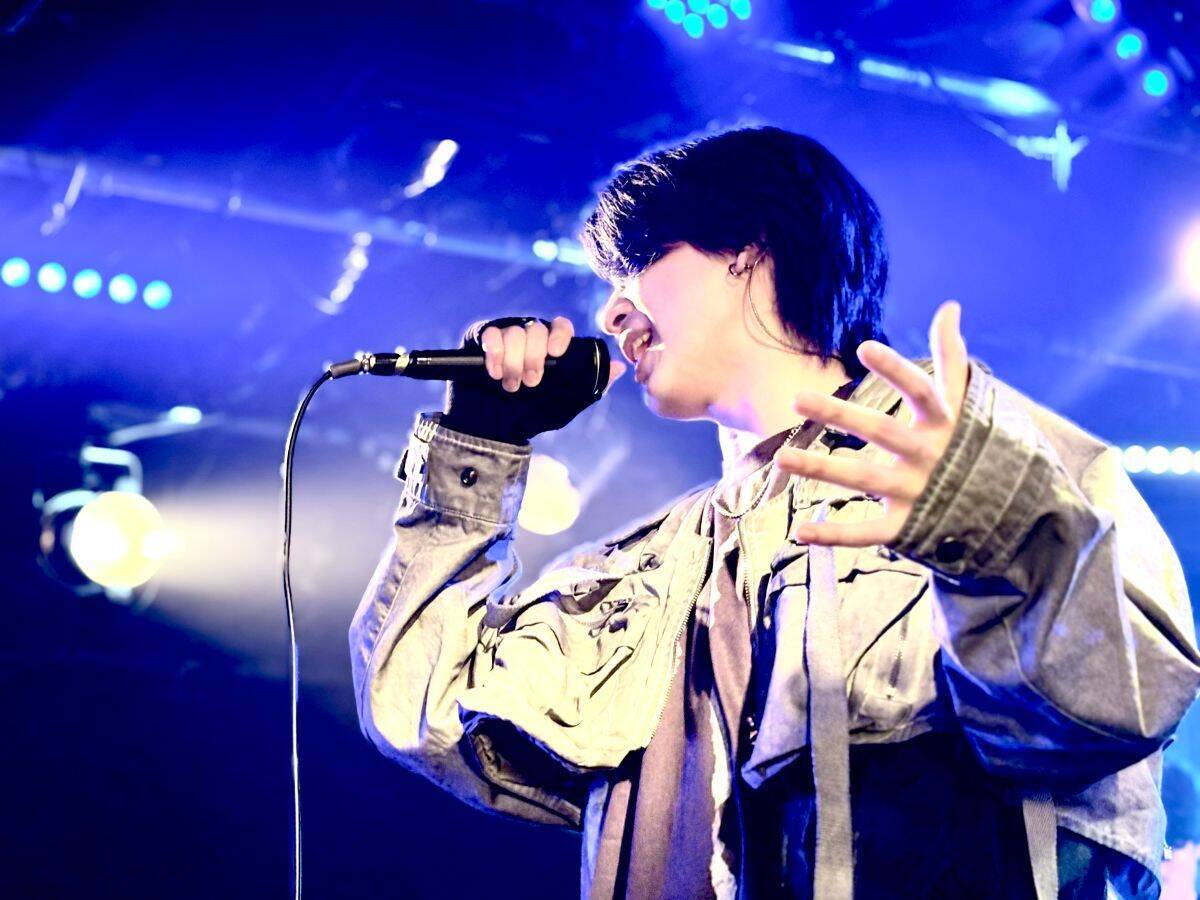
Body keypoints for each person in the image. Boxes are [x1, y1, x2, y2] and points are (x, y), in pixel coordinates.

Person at [348, 126, 1200, 898]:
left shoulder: (978, 453)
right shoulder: (650, 562)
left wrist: (993, 529)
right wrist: (479, 445)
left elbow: (1122, 702)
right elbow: (422, 710)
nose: (611, 310)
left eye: (640, 261)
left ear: (750, 251)